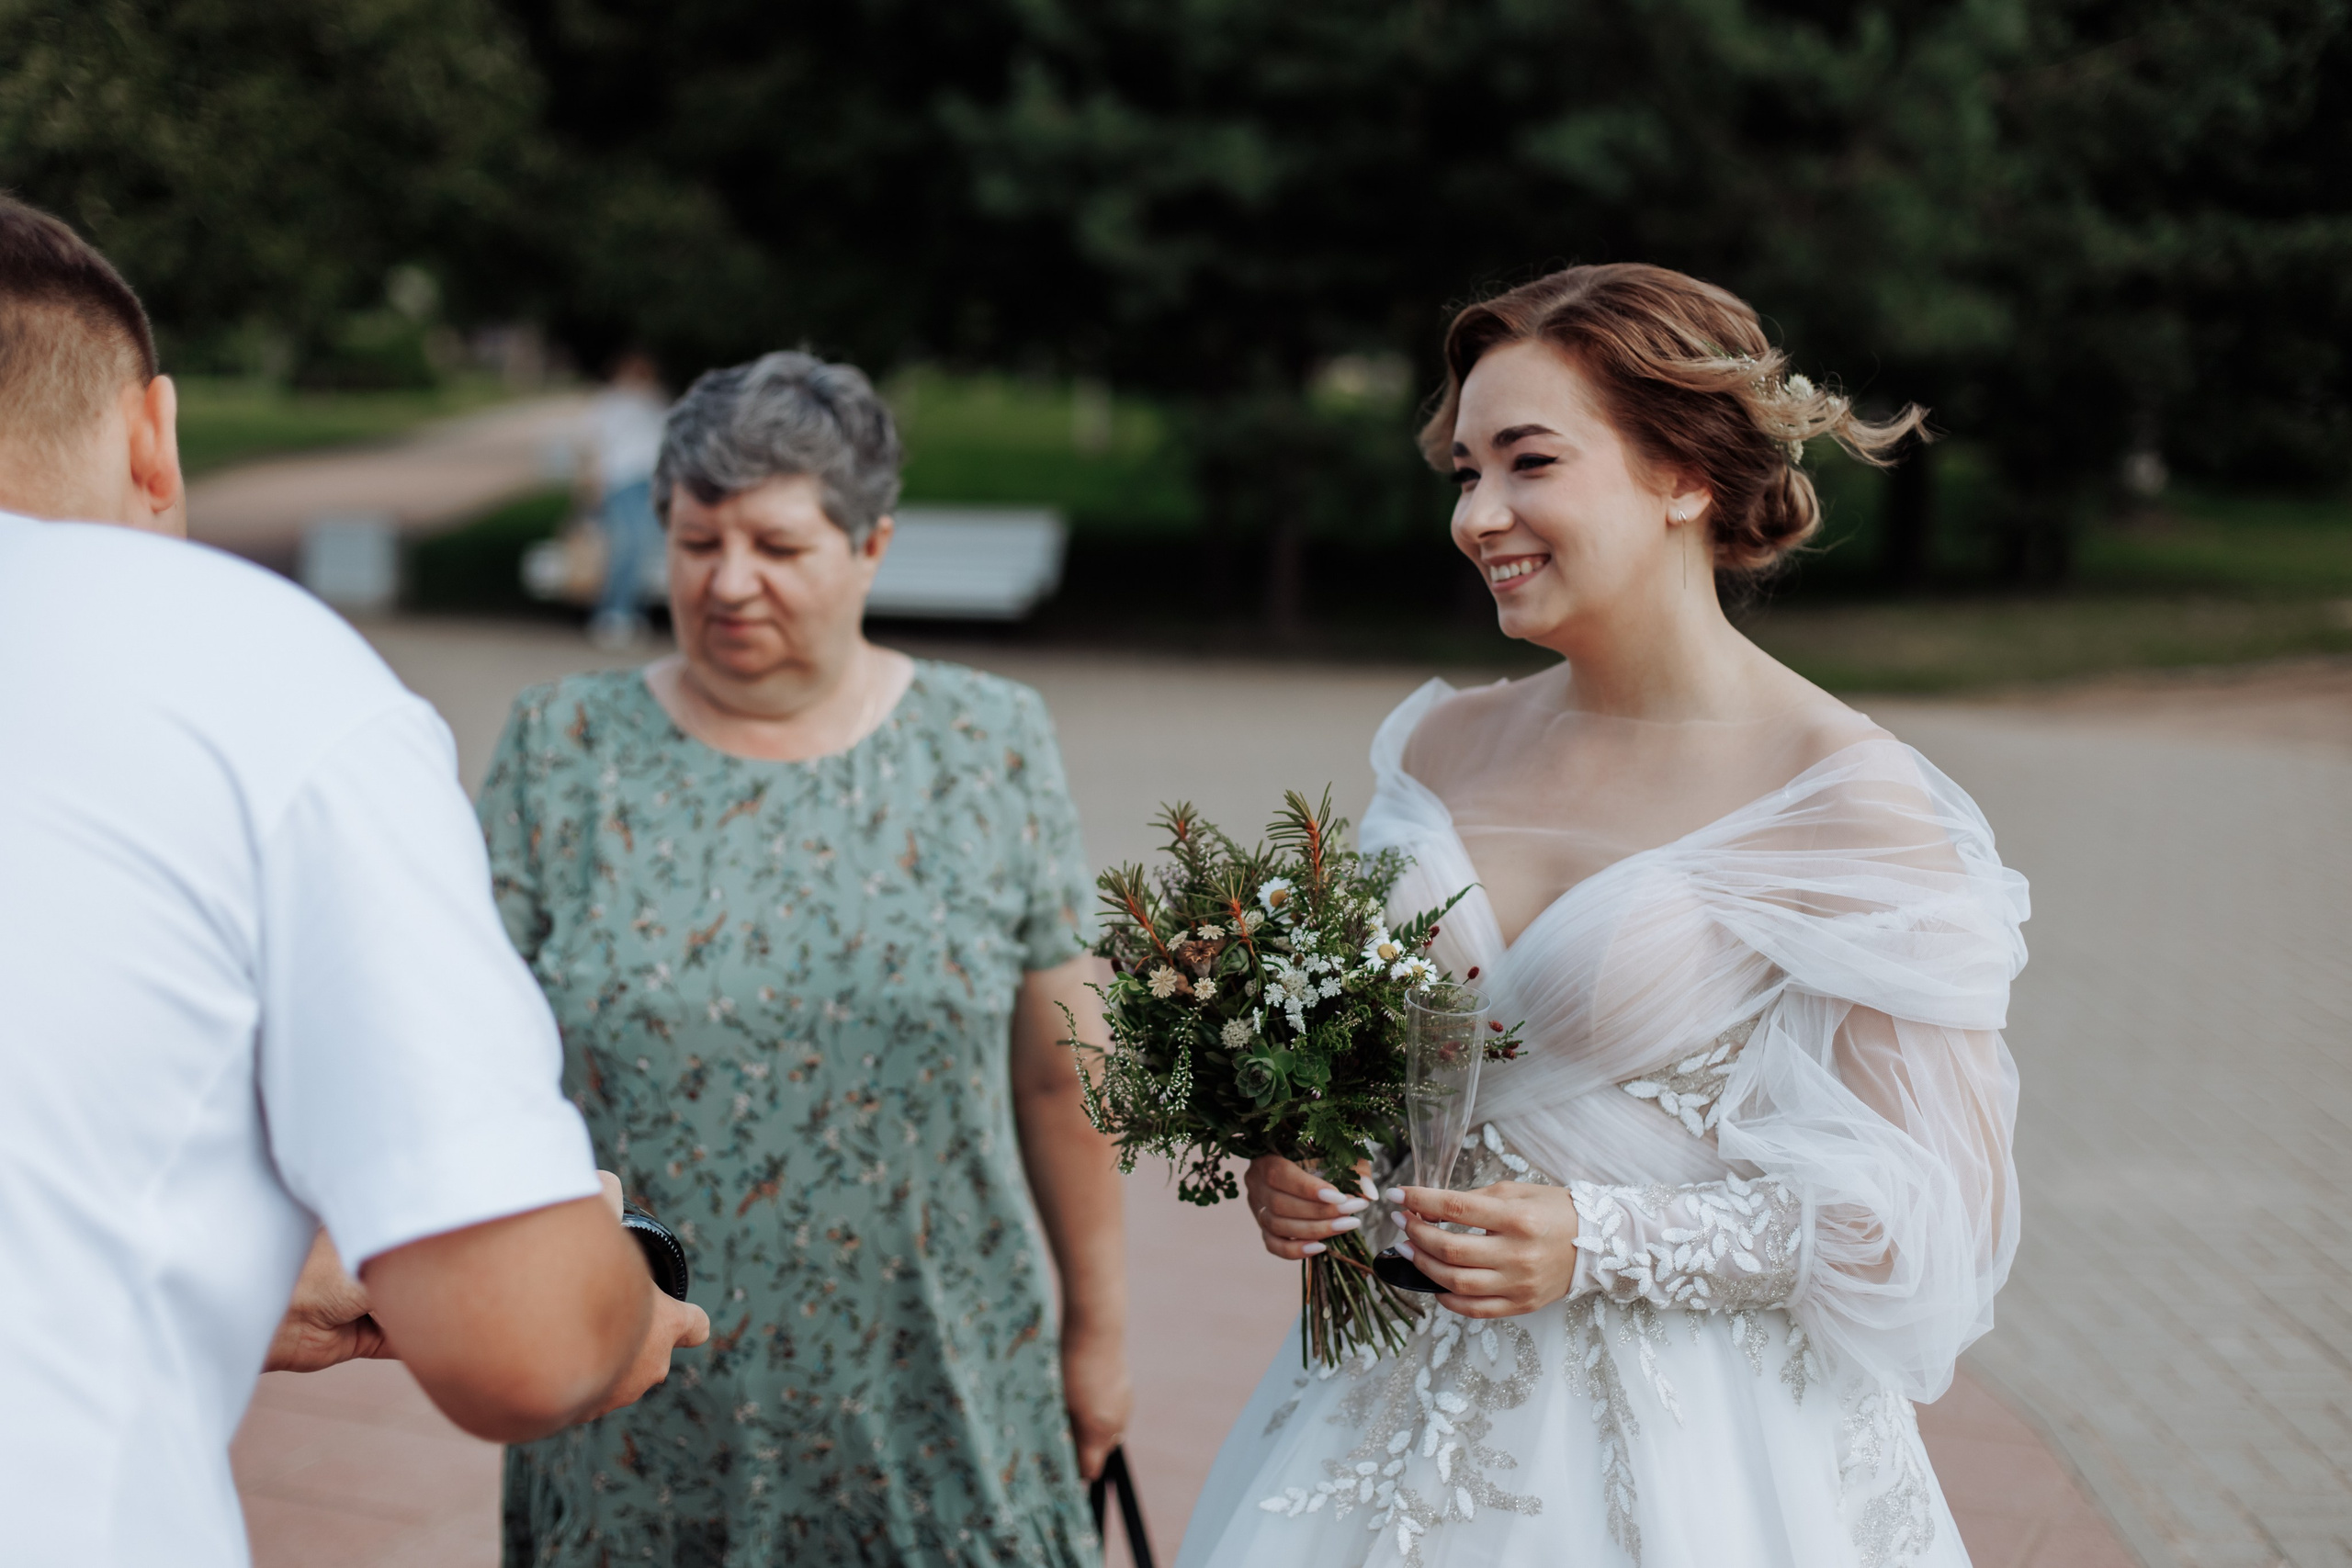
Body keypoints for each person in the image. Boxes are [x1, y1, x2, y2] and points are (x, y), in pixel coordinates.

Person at [1183, 265, 2030, 1567]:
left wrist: (1605, 1235)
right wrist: (1311, 1162)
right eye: (1465, 471)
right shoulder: (1441, 746)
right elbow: (1391, 1061)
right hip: (1378, 1417)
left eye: (1528, 462)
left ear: (1685, 474)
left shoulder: (1844, 797)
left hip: (1688, 1451)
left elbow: (1923, 1221)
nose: (1480, 514)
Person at [0, 194, 710, 1568]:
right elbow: (519, 1339)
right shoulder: (254, 669)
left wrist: (209, 1279)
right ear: (155, 436)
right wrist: (624, 1303)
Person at [483, 351, 1132, 1566]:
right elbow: (469, 1057)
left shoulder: (987, 740)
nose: (728, 582)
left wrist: (1098, 1329)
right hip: (634, 1380)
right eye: (694, 540)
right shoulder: (562, 745)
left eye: (778, 547)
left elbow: (1062, 1070)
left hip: (935, 1376)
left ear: (872, 546)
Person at [583, 349, 669, 649]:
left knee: (649, 548)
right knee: (627, 545)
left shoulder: (657, 400)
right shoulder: (609, 403)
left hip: (651, 483)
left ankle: (633, 613)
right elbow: (596, 447)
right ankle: (612, 613)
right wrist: (593, 487)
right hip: (620, 481)